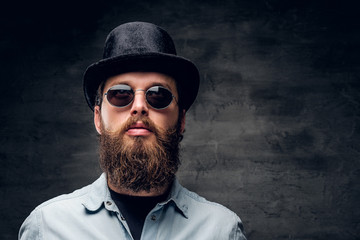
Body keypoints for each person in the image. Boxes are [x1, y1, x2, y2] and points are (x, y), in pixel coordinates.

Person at [19, 21, 246, 240]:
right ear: (98, 119)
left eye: (158, 94)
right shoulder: (46, 228)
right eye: (120, 94)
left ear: (181, 120)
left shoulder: (223, 231)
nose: (139, 107)